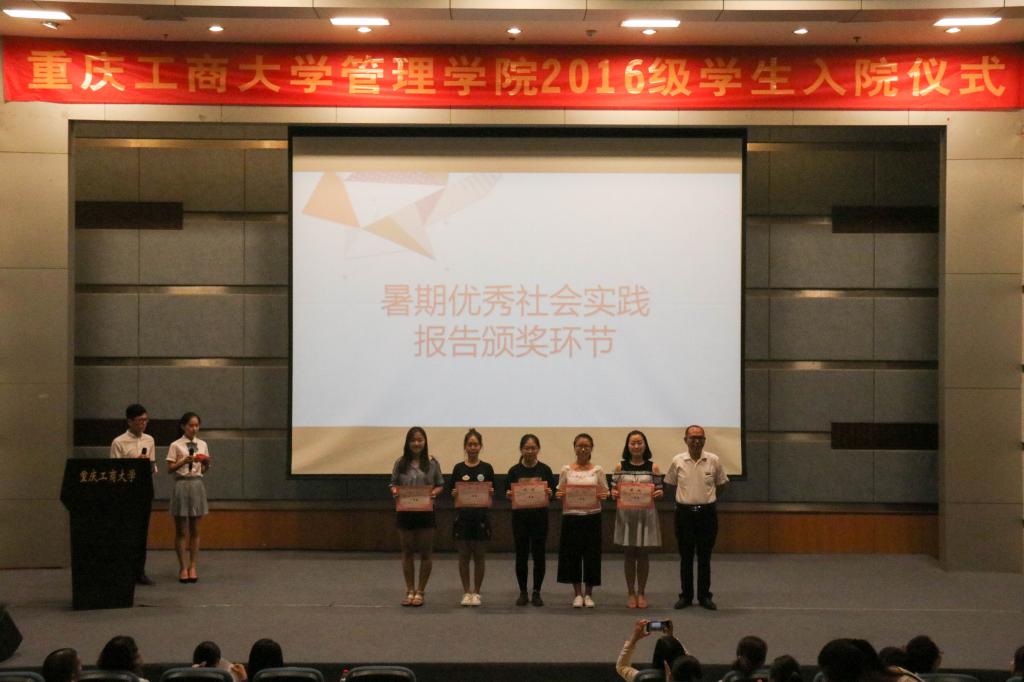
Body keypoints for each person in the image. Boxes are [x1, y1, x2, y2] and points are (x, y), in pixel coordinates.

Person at [665, 424, 728, 610]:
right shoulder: (677, 460)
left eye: (700, 438)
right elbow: (670, 484)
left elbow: (721, 484)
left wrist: (707, 499)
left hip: (707, 514)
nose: (696, 441)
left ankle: (704, 596)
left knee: (704, 557)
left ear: (704, 440)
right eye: (692, 438)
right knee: (685, 557)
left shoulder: (713, 460)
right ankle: (686, 596)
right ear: (685, 440)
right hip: (684, 514)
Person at [389, 426, 444, 607]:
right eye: (413, 440)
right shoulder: (400, 463)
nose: (417, 443)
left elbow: (440, 484)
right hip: (405, 512)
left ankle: (420, 591)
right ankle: (409, 590)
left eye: (420, 440)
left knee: (426, 553)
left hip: (426, 512)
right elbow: (393, 484)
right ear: (408, 443)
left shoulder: (432, 463)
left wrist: (434, 493)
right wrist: (395, 491)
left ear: (425, 442)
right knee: (407, 552)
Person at [555, 432, 609, 608]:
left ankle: (589, 594)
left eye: (586, 446)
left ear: (591, 448)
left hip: (592, 517)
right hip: (571, 517)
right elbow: (559, 491)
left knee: (592, 555)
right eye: (580, 446)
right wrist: (559, 494)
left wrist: (603, 495)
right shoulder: (566, 470)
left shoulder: (598, 470)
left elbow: (605, 492)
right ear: (574, 448)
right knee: (573, 555)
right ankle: (578, 594)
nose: (583, 449)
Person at [612, 429, 663, 609]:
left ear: (645, 445)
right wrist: (613, 492)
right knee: (628, 554)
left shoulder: (653, 467)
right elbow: (613, 490)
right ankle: (630, 592)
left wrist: (659, 493)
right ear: (627, 446)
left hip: (645, 515)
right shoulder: (619, 467)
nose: (636, 446)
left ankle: (641, 592)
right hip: (626, 515)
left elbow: (659, 490)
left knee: (643, 554)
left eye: (639, 442)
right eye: (632, 443)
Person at [109, 403, 157, 586]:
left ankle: (140, 571)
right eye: (139, 420)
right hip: (125, 492)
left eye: (146, 420)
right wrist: (134, 464)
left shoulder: (149, 440)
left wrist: (148, 465)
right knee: (126, 532)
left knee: (142, 532)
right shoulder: (119, 442)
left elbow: (152, 465)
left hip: (143, 490)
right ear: (130, 421)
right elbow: (114, 470)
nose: (143, 423)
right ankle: (124, 571)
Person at [505, 433, 554, 607]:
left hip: (540, 519)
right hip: (520, 520)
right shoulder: (514, 471)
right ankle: (523, 592)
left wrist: (550, 493)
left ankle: (537, 592)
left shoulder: (545, 470)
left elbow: (553, 493)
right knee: (521, 556)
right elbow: (507, 493)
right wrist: (509, 494)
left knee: (539, 556)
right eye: (527, 448)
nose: (530, 451)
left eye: (533, 448)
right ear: (521, 449)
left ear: (538, 449)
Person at [449, 428, 494, 607]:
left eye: (476, 444)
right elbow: (452, 493)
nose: (473, 447)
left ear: (481, 446)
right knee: (464, 557)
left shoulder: (487, 468)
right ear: (465, 446)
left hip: (481, 518)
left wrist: (490, 493)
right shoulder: (458, 468)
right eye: (470, 444)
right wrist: (454, 493)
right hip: (463, 518)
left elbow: (491, 496)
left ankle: (477, 592)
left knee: (479, 557)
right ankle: (466, 592)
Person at [167, 411, 210, 583]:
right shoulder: (175, 445)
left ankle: (193, 566)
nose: (194, 428)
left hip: (196, 484)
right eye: (191, 425)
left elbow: (204, 470)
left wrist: (206, 463)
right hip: (181, 484)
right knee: (180, 530)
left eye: (196, 425)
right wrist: (183, 461)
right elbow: (170, 469)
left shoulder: (203, 444)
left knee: (195, 529)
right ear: (183, 426)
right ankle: (182, 567)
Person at [616, 618, 688, 682]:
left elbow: (622, 666)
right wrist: (671, 638)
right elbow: (687, 659)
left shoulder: (644, 679)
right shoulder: (691, 675)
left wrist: (634, 639)